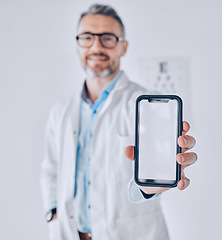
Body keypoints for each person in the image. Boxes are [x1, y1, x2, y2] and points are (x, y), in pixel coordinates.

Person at [40, 4, 197, 240]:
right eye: (87, 37)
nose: (96, 46)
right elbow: (50, 168)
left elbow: (145, 179)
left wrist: (147, 190)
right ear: (77, 45)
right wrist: (53, 210)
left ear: (123, 47)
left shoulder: (143, 105)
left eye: (108, 38)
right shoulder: (61, 111)